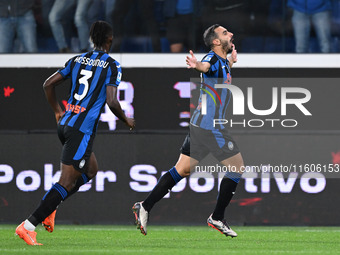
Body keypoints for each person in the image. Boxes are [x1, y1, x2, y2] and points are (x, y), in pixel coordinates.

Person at [15, 20, 135, 245]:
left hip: (66, 123)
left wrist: (57, 111)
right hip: (81, 129)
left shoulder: (77, 59)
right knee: (67, 182)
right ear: (110, 39)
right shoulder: (112, 65)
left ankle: (50, 208)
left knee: (91, 170)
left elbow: (47, 84)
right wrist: (126, 119)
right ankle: (28, 225)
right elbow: (112, 101)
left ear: (92, 39)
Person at [132, 24, 244, 237]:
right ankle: (217, 217)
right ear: (216, 42)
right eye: (225, 33)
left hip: (198, 125)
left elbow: (218, 68)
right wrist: (196, 65)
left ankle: (144, 206)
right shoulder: (211, 58)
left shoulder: (222, 61)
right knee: (237, 167)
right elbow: (205, 66)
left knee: (182, 170)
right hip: (211, 126)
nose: (231, 34)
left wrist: (231, 61)